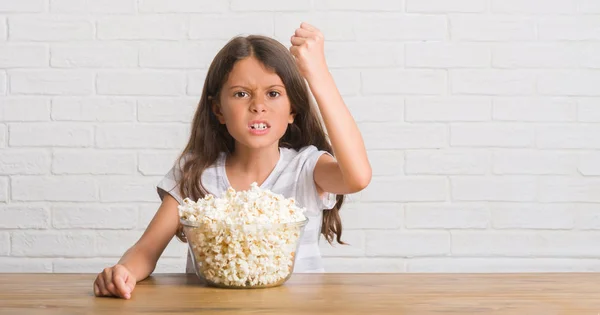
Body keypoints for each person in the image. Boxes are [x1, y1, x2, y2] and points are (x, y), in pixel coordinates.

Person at [93, 22, 371, 299]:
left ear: (292, 110)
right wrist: (123, 272)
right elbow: (145, 251)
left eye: (273, 93)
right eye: (241, 94)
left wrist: (319, 76)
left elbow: (358, 177)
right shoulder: (196, 174)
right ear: (218, 110)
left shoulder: (306, 169)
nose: (258, 106)